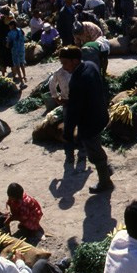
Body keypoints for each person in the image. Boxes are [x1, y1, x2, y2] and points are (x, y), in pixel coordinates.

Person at [59, 46, 113, 193]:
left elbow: (73, 111)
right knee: (96, 145)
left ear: (75, 61)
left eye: (65, 63)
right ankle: (107, 169)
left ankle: (105, 181)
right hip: (100, 114)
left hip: (89, 123)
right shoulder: (91, 65)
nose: (63, 68)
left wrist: (67, 133)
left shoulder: (77, 81)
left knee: (94, 152)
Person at [6, 19, 27, 86]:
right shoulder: (20, 30)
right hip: (22, 50)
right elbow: (24, 39)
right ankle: (25, 76)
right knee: (22, 64)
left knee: (17, 66)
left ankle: (21, 82)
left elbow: (8, 44)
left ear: (12, 26)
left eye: (10, 26)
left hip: (15, 51)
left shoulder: (10, 33)